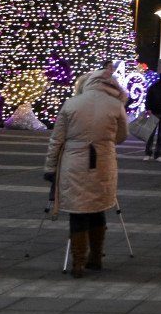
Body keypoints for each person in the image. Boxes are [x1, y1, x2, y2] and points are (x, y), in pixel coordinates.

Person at [42, 65, 129, 277]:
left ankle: (78, 262)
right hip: (103, 162)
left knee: (78, 210)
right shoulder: (116, 105)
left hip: (74, 163)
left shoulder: (71, 104)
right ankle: (96, 258)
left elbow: (57, 140)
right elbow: (121, 136)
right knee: (98, 208)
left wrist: (50, 167)